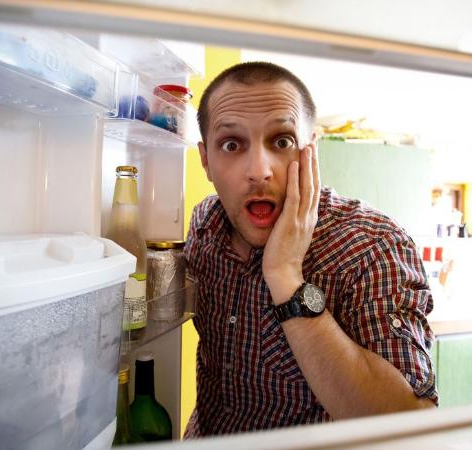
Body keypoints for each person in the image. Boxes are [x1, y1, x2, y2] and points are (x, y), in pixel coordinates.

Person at [184, 61, 437, 437]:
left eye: (282, 141)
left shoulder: (372, 245)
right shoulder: (206, 223)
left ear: (311, 151)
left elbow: (410, 429)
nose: (259, 170)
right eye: (232, 144)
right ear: (206, 160)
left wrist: (286, 276)